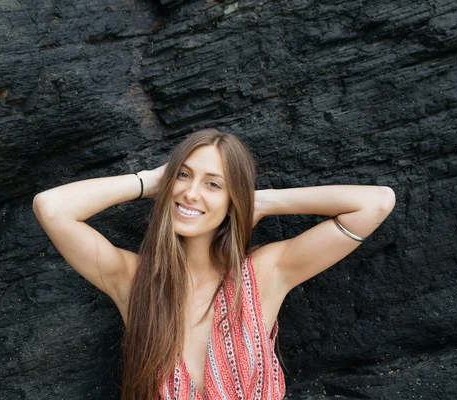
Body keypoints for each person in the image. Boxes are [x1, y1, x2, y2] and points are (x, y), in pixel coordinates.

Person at [32, 128, 396, 400]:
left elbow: (376, 203)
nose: (191, 193)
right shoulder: (132, 281)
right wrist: (151, 181)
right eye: (184, 175)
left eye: (214, 185)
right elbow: (52, 208)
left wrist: (260, 202)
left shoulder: (265, 274)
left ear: (233, 199)